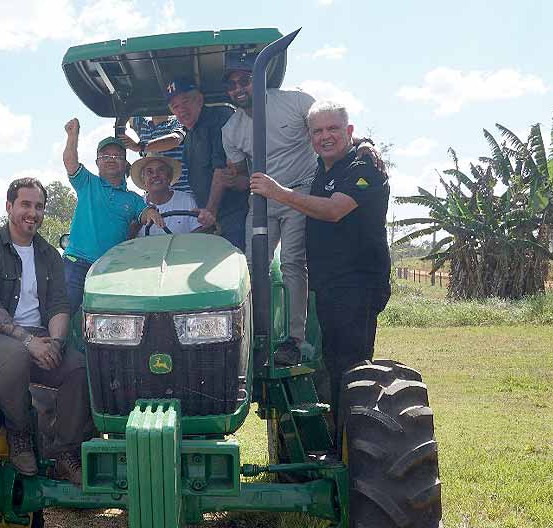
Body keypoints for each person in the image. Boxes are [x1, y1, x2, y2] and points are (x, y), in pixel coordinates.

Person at [249, 101, 391, 415]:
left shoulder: (363, 167)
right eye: (318, 131)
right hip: (328, 285)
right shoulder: (322, 169)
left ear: (349, 131)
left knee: (352, 367)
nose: (325, 136)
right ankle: (339, 436)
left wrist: (279, 193)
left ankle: (351, 444)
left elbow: (333, 210)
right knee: (334, 363)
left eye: (333, 129)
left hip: (357, 285)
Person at [0, 177, 94, 483]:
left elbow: (59, 306)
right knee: (14, 354)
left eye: (39, 206)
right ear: (9, 207)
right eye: (25, 204)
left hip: (37, 336)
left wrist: (55, 343)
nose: (33, 212)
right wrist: (30, 342)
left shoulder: (50, 255)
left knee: (79, 367)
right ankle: (20, 434)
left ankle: (66, 453)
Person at [217, 57, 316, 366]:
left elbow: (330, 134)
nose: (238, 88)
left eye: (244, 80)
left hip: (300, 193)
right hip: (261, 202)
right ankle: (252, 336)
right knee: (249, 265)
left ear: (259, 80)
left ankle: (294, 340)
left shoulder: (296, 102)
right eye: (232, 85)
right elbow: (240, 175)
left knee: (291, 262)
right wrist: (226, 182)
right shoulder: (231, 130)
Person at [62, 118, 164, 315]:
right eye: (105, 155)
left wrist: (152, 214)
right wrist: (72, 136)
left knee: (107, 317)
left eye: (117, 156)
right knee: (65, 314)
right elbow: (70, 162)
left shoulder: (133, 199)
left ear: (125, 164)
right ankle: (56, 346)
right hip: (75, 263)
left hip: (108, 269)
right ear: (97, 161)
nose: (111, 159)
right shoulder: (87, 182)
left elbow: (144, 213)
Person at [164, 78, 248, 250]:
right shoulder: (189, 137)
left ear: (199, 100)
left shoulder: (219, 118)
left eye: (185, 102)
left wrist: (210, 211)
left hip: (235, 215)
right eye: (175, 107)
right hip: (212, 218)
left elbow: (223, 171)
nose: (181, 110)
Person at [129, 153, 204, 236]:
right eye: (150, 172)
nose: (155, 175)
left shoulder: (187, 200)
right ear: (143, 180)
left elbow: (198, 235)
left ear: (169, 177)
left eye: (161, 170)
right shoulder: (136, 205)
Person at [120, 115, 192, 193]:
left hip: (182, 193)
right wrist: (121, 126)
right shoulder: (142, 124)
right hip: (155, 196)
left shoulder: (178, 121)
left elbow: (175, 139)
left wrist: (140, 147)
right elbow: (126, 110)